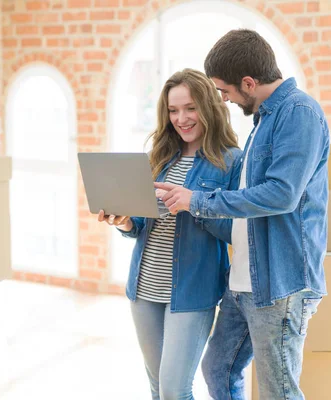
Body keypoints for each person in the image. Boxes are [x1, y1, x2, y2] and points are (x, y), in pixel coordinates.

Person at [155, 29, 330, 400]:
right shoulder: (265, 120)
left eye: (225, 90)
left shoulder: (299, 113)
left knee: (276, 391)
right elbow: (246, 200)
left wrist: (198, 201)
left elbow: (282, 195)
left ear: (248, 83)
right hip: (244, 282)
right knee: (218, 369)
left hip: (279, 285)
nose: (223, 99)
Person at [97, 68, 242, 400]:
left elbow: (237, 230)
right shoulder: (160, 158)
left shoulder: (231, 162)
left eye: (190, 108)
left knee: (175, 390)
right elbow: (142, 222)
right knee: (157, 387)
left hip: (193, 292)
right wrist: (123, 221)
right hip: (145, 288)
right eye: (174, 111)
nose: (182, 118)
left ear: (208, 106)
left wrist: (192, 205)